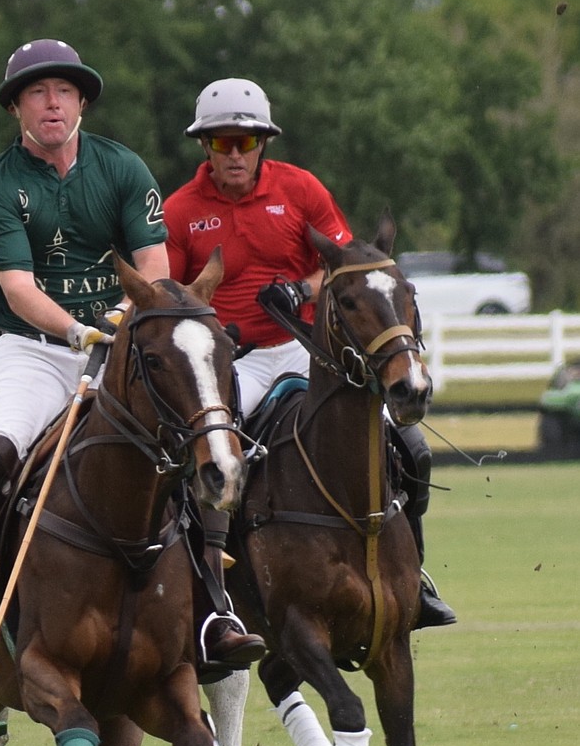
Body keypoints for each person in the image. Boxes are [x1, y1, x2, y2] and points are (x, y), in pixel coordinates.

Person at [0, 40, 265, 673]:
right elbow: (18, 290)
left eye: (65, 91)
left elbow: (155, 272)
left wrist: (125, 326)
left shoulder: (123, 168)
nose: (53, 102)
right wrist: (79, 333)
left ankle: (215, 609)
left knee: (198, 450)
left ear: (81, 101)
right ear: (17, 106)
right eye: (38, 93)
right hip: (36, 352)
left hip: (124, 343)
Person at [165, 77, 455, 631]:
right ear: (205, 146)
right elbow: (173, 296)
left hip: (304, 351)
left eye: (245, 143)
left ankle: (413, 573)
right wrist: (208, 324)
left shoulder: (300, 190)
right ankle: (213, 587)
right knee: (207, 459)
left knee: (411, 450)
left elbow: (348, 268)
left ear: (262, 145)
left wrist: (300, 290)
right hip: (237, 360)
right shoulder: (181, 212)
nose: (234, 154)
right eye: (222, 143)